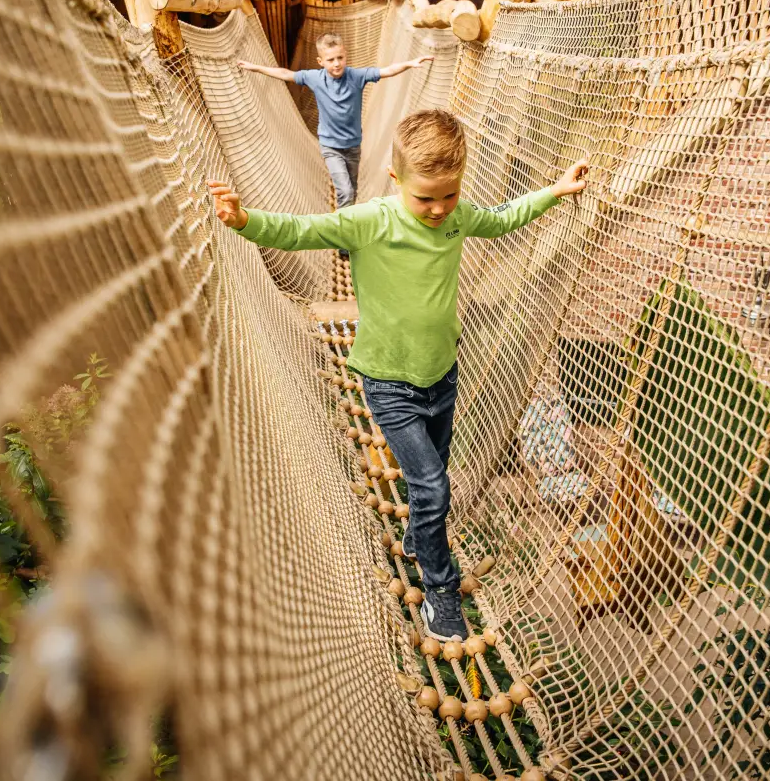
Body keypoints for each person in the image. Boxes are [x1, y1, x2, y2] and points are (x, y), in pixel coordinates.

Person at [207, 109, 589, 641]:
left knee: (431, 479)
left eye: (449, 195)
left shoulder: (456, 217)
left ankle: (417, 534)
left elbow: (501, 218)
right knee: (433, 486)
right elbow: (300, 231)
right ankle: (439, 589)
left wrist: (554, 191)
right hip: (389, 382)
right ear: (396, 180)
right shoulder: (372, 221)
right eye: (425, 197)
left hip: (443, 375)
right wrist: (245, 220)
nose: (437, 210)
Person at [238, 33, 428, 210]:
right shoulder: (315, 78)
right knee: (344, 191)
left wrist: (410, 63)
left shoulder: (356, 76)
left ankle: (348, 223)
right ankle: (344, 239)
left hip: (353, 146)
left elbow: (386, 71)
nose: (336, 63)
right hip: (331, 147)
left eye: (340, 58)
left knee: (352, 191)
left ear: (345, 55)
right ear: (321, 62)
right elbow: (285, 74)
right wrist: (255, 67)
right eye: (330, 60)